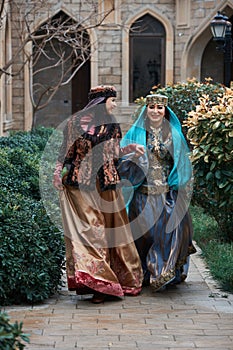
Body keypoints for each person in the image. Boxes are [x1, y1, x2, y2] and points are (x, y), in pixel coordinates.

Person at [53, 85, 143, 303]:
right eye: (112, 100)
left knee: (112, 234)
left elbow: (114, 154)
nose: (114, 104)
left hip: (106, 188)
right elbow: (66, 151)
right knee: (92, 234)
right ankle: (98, 285)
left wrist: (130, 149)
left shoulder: (112, 127)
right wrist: (57, 172)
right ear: (101, 102)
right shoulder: (74, 124)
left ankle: (110, 281)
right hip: (79, 187)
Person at [120, 93, 196, 292]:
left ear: (165, 111)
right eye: (151, 107)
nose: (155, 111)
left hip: (166, 195)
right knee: (144, 237)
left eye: (159, 108)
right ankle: (144, 273)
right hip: (142, 195)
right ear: (146, 109)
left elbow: (182, 165)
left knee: (167, 236)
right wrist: (132, 155)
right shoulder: (136, 133)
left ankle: (162, 273)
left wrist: (176, 187)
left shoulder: (174, 135)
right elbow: (120, 159)